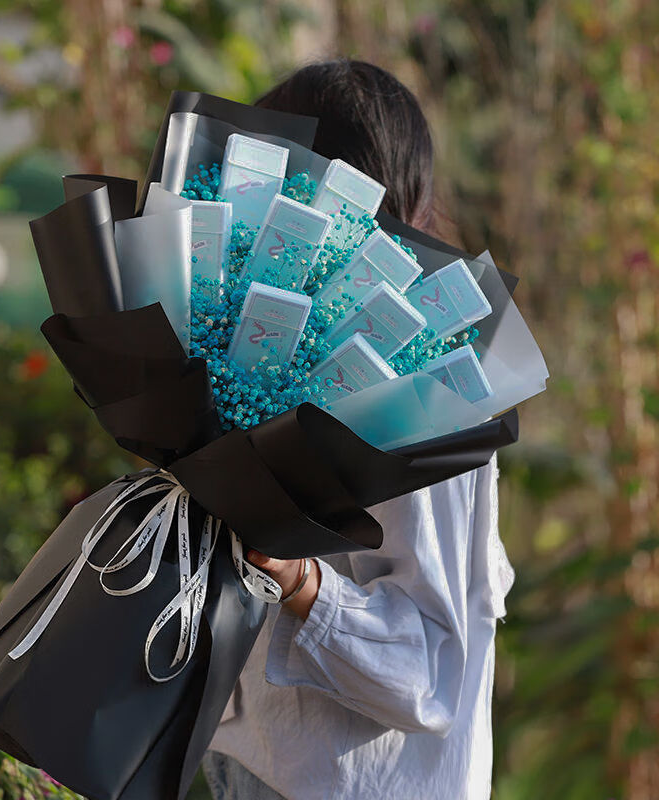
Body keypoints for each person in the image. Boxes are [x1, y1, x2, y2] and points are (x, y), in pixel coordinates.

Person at [200, 59, 515, 800]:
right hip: (249, 760)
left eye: (283, 171)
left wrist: (300, 580)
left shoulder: (430, 386)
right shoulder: (264, 338)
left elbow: (430, 671)